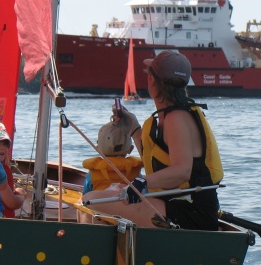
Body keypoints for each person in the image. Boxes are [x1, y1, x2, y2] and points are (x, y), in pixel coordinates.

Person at [81, 50, 224, 230]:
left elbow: (182, 171)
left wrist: (143, 182)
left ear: (152, 81)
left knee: (90, 199)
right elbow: (155, 160)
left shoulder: (176, 119)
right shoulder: (171, 115)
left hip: (191, 214)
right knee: (109, 192)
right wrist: (133, 128)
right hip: (175, 206)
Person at [82, 121, 143, 194]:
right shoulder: (136, 171)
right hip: (131, 205)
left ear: (97, 149)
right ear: (131, 149)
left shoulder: (92, 174)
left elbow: (85, 194)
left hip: (101, 204)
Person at [0, 120, 26, 218]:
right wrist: (21, 195)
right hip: (2, 221)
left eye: (5, 144)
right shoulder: (0, 170)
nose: (2, 148)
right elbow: (11, 203)